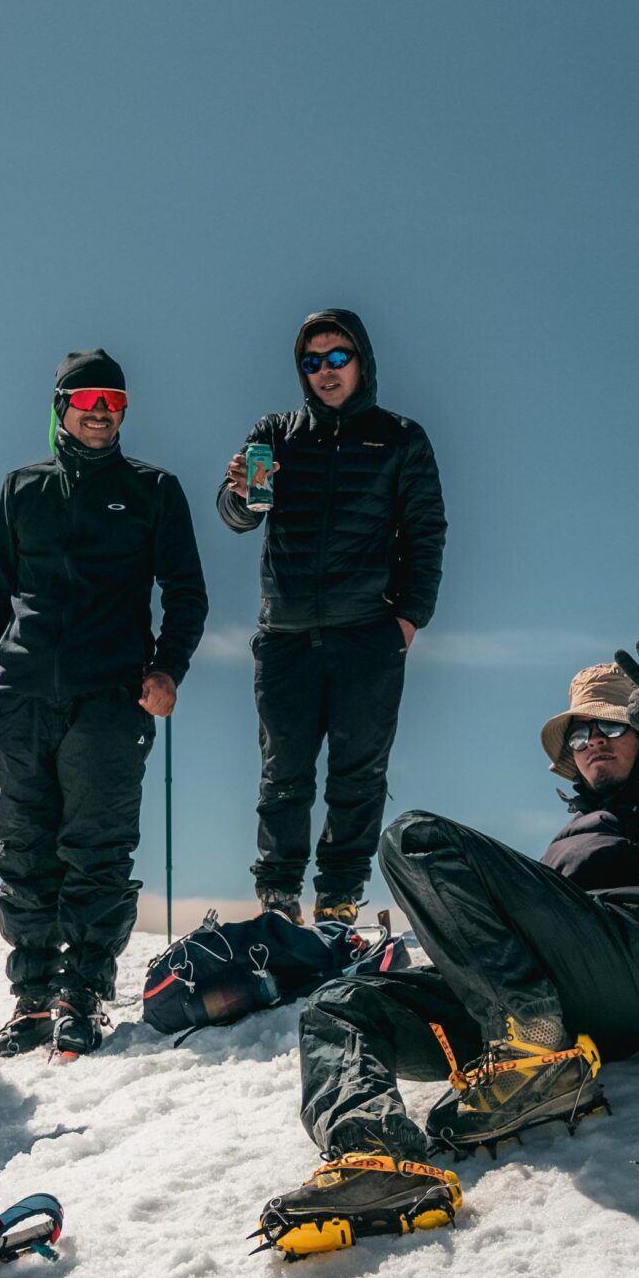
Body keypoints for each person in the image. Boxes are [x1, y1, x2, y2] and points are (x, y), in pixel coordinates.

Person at [297, 642, 639, 1158]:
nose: (594, 740)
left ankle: (533, 1040)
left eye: (612, 726)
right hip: (563, 989)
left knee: (414, 837)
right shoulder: (579, 830)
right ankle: (367, 1151)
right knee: (341, 1006)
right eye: (580, 733)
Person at [0, 350, 208, 1059]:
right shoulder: (22, 489)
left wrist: (168, 673)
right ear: (61, 407)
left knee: (97, 849)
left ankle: (85, 994)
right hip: (23, 696)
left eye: (114, 399)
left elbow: (187, 593)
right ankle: (33, 998)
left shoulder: (153, 489)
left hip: (111, 696)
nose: (101, 410)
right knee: (25, 851)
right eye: (87, 398)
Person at [217, 307, 445, 926]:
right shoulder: (276, 431)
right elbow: (241, 516)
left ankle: (340, 897)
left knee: (359, 772)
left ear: (362, 361)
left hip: (368, 634)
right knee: (282, 773)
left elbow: (426, 534)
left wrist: (407, 620)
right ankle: (278, 899)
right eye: (311, 361)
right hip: (286, 635)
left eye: (337, 357)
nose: (325, 371)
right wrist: (238, 494)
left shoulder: (400, 438)